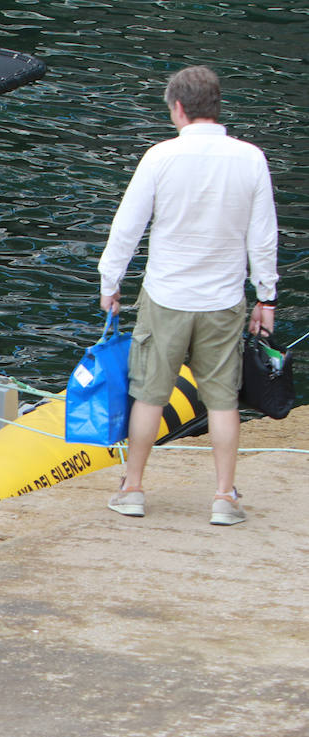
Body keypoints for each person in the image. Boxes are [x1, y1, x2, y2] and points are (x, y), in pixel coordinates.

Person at [98, 65, 279, 526]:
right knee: (222, 400)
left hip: (166, 298)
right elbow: (263, 238)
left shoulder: (160, 157)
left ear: (178, 108)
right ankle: (223, 497)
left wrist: (110, 283)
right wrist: (266, 298)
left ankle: (133, 488)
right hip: (223, 301)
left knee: (149, 396)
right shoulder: (251, 158)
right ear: (216, 106)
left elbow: (127, 227)